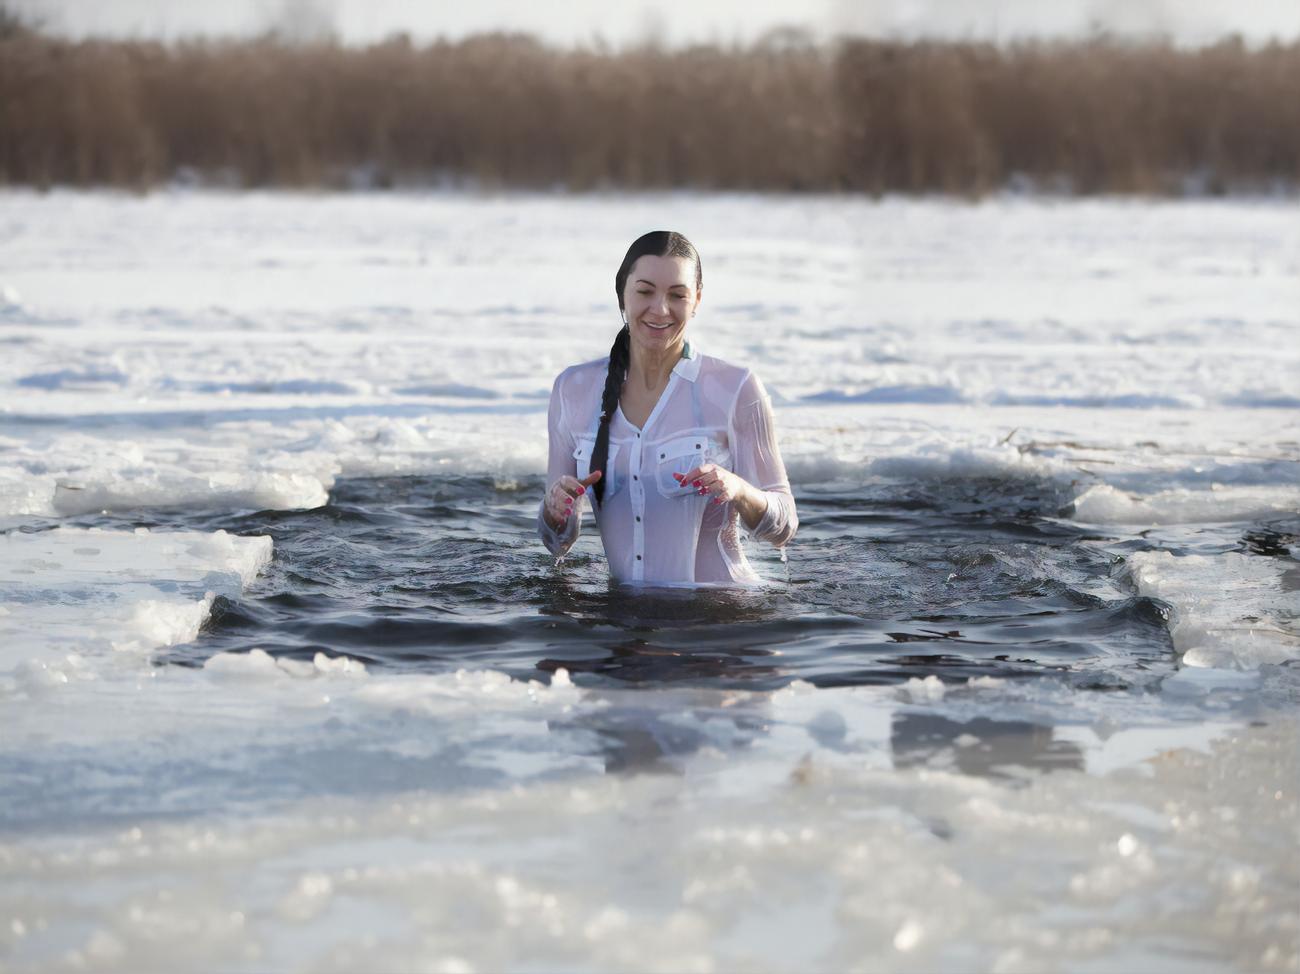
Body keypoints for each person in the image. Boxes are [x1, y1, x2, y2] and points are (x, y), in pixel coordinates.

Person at [537, 230, 797, 586]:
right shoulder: (573, 389)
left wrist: (739, 490)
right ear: (621, 295)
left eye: (677, 295)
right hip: (623, 619)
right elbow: (557, 542)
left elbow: (784, 527)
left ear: (697, 301)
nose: (660, 309)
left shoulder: (735, 387)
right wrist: (555, 512)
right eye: (645, 291)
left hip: (722, 616)